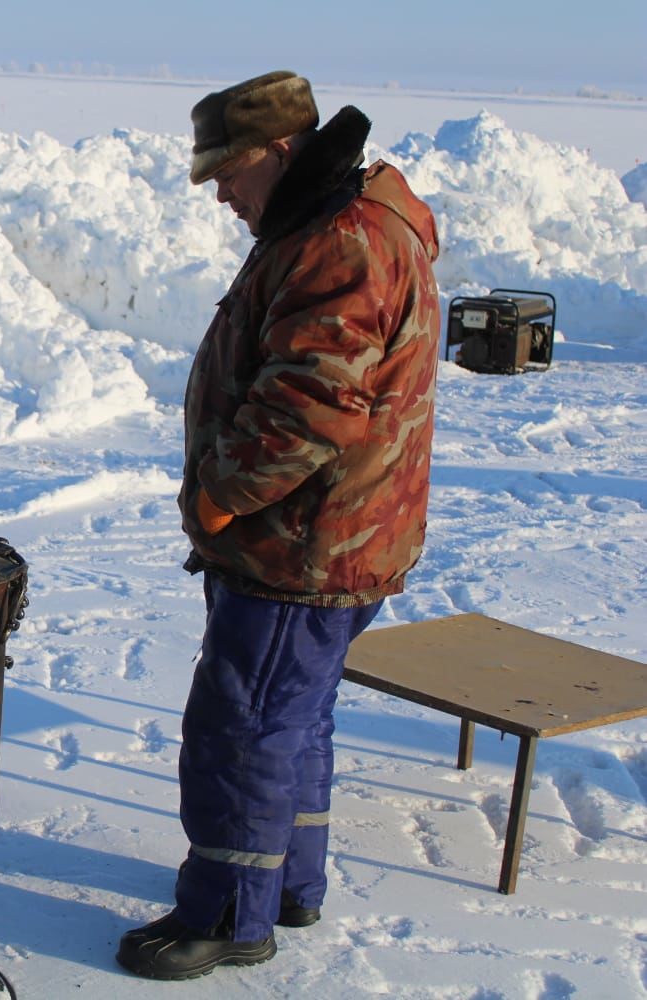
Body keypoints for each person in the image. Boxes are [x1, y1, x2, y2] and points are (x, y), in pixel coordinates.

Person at [116, 71, 440, 979]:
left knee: (243, 725)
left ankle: (223, 915)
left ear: (282, 152)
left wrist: (222, 490)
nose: (219, 191)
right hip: (329, 537)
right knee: (291, 717)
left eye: (229, 170)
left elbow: (308, 403)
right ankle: (287, 885)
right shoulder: (325, 221)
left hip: (303, 542)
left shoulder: (343, 241)